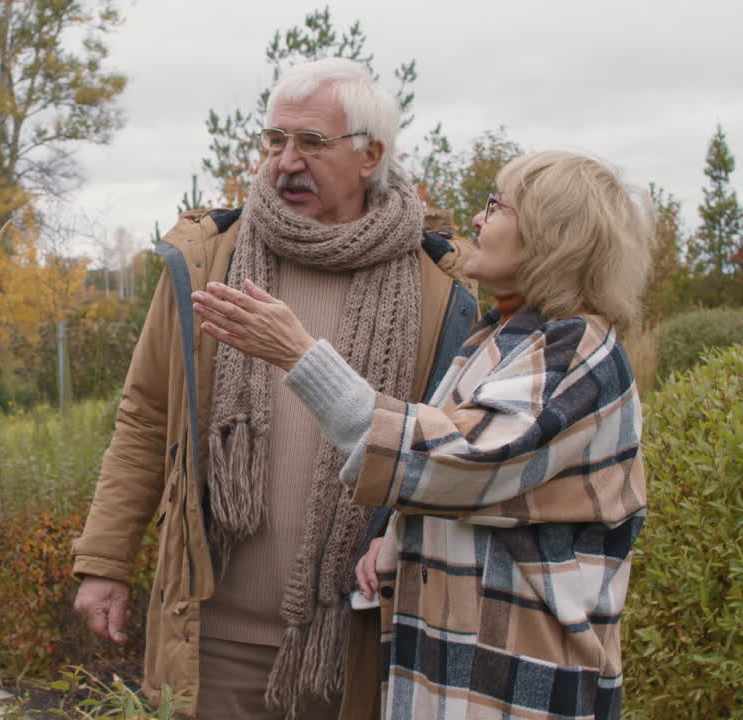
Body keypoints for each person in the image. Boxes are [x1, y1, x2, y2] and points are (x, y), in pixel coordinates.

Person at [70, 57, 477, 720]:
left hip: (362, 637)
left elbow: (455, 454)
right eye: (274, 140)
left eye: (311, 143)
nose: (285, 162)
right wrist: (106, 561)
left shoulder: (440, 289)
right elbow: (146, 418)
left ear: (371, 154)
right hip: (216, 635)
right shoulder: (210, 261)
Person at [192, 150, 652, 720]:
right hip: (455, 684)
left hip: (518, 692)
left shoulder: (577, 353)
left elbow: (452, 461)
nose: (479, 221)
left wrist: (300, 355)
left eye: (496, 206)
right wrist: (403, 539)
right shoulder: (501, 338)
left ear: (552, 235)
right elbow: (484, 492)